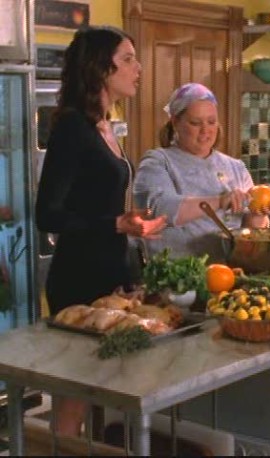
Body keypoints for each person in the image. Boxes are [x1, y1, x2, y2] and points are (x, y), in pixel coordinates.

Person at [35, 26, 167, 436]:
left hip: (112, 273)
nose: (138, 67)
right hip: (79, 278)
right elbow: (48, 215)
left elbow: (99, 202)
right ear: (99, 69)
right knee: (73, 404)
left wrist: (132, 224)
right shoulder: (73, 127)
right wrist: (114, 223)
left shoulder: (105, 125)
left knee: (106, 394)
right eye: (127, 59)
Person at [133, 82, 270, 262]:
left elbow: (250, 233)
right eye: (195, 123)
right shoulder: (157, 162)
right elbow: (159, 209)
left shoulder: (236, 167)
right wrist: (220, 201)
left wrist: (258, 214)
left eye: (211, 122)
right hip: (177, 274)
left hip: (229, 272)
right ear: (175, 122)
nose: (205, 130)